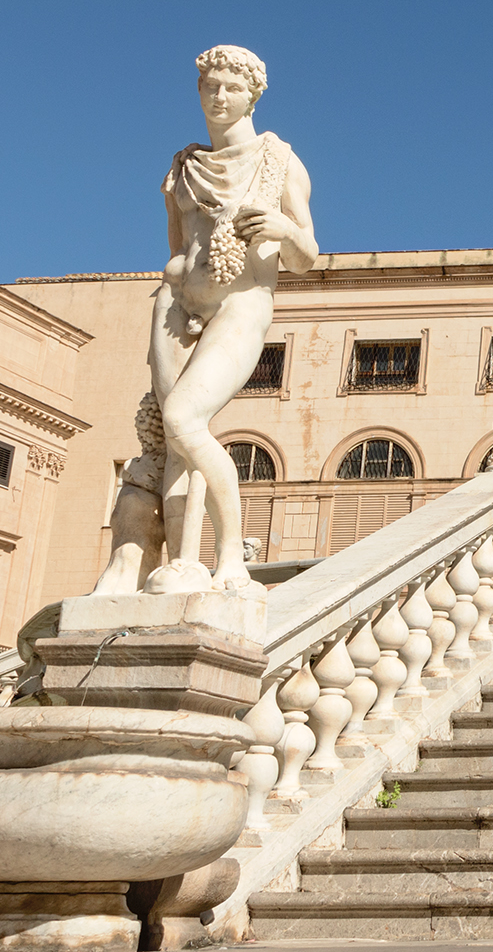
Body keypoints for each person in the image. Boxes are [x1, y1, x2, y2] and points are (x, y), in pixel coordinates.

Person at [148, 45, 316, 593]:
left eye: (231, 88)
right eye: (210, 87)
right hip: (177, 306)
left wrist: (283, 230)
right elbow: (177, 250)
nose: (219, 96)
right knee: (178, 437)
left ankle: (231, 563)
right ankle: (183, 562)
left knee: (183, 420)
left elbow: (306, 254)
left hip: (243, 304)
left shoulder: (280, 160)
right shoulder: (184, 168)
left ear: (252, 96)